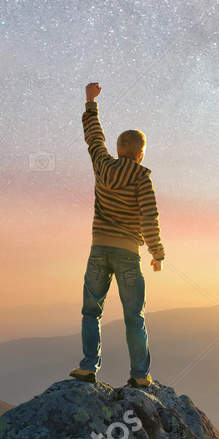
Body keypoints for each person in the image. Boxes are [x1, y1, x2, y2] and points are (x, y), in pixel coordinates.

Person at [70, 81, 165, 387]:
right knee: (134, 318)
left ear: (119, 149)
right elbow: (149, 218)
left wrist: (90, 102)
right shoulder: (142, 179)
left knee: (91, 311)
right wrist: (157, 252)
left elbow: (93, 137)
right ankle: (139, 376)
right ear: (140, 154)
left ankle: (87, 367)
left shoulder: (102, 165)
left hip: (98, 250)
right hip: (127, 254)